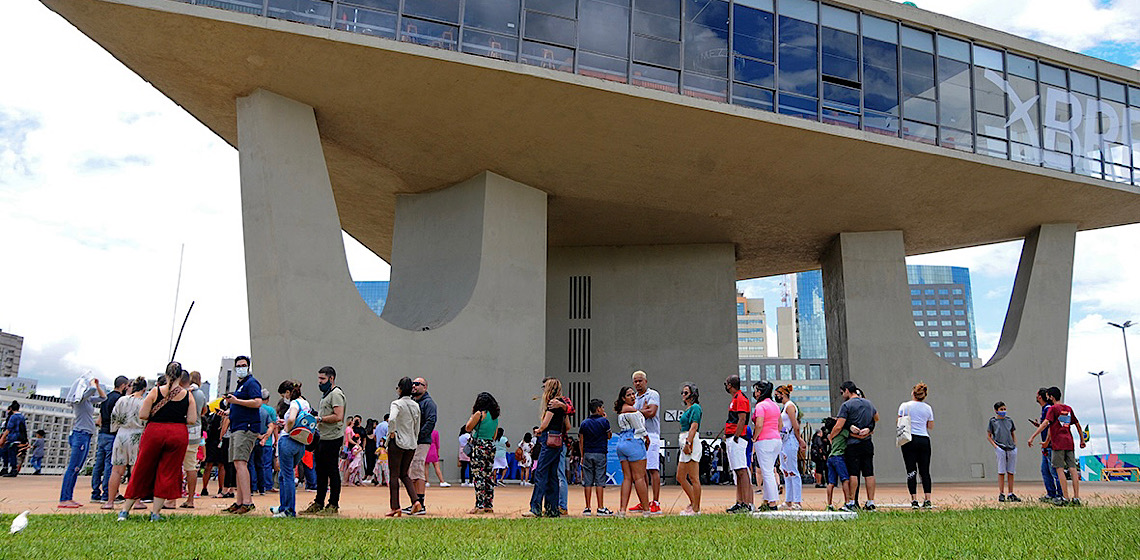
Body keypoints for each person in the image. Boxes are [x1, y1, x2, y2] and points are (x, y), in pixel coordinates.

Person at [117, 362, 198, 522]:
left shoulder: (155, 391)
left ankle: (125, 511)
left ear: (167, 375)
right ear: (181, 376)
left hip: (154, 432)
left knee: (141, 468)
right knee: (167, 472)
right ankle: (155, 513)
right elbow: (192, 419)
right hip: (177, 433)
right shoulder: (188, 395)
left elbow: (143, 414)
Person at [1026, 386, 1086, 506]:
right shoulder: (1067, 408)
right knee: (1073, 469)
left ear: (1051, 397)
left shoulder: (1053, 409)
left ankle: (1065, 497)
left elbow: (1046, 424)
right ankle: (1077, 497)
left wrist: (1033, 436)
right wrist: (1082, 439)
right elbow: (1077, 424)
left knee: (1059, 469)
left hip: (1058, 444)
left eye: (1048, 396)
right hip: (1069, 442)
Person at [222, 355, 262, 515]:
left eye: (243, 365)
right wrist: (229, 410)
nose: (241, 368)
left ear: (248, 366)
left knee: (241, 463)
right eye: (238, 365)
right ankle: (240, 501)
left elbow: (257, 402)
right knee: (237, 464)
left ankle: (247, 502)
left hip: (246, 427)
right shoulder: (241, 385)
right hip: (237, 426)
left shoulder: (251, 383)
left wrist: (236, 401)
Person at [303, 366, 345, 516]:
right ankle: (318, 502)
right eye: (319, 379)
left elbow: (338, 415)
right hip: (322, 437)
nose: (319, 382)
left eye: (322, 379)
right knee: (320, 471)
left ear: (331, 379)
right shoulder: (326, 395)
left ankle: (333, 504)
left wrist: (320, 419)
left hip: (333, 438)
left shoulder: (336, 394)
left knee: (332, 471)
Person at [830, 380, 879, 511]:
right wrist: (868, 428)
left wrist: (831, 436)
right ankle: (870, 502)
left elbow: (839, 425)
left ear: (847, 390)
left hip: (853, 444)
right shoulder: (869, 403)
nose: (842, 395)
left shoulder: (846, 406)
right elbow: (876, 418)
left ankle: (851, 502)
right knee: (869, 473)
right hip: (867, 442)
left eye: (842, 392)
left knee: (853, 473)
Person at [59, 376, 106, 507]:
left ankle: (68, 497)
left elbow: (103, 398)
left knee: (76, 468)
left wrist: (97, 385)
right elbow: (90, 390)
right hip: (80, 435)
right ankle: (64, 498)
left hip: (85, 435)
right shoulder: (79, 400)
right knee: (72, 467)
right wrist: (92, 383)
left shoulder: (87, 401)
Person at [526, 378, 571, 518]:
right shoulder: (562, 405)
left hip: (548, 439)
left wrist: (539, 430)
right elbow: (568, 426)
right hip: (558, 440)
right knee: (553, 475)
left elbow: (545, 424)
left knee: (541, 473)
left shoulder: (552, 404)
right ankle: (553, 509)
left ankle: (535, 508)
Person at [104, 378, 148, 510]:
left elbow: (114, 418)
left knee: (116, 470)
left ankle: (110, 501)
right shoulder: (145, 402)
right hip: (138, 434)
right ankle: (137, 500)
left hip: (122, 434)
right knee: (135, 470)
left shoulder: (122, 400)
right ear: (144, 389)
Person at [270, 380, 310, 517]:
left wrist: (287, 427)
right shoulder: (305, 403)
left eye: (283, 395)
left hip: (288, 440)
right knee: (284, 475)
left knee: (287, 476)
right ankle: (283, 506)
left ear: (288, 393)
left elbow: (292, 418)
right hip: (300, 442)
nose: (283, 399)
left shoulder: (294, 403)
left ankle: (288, 510)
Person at [612, 386, 650, 517]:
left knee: (627, 478)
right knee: (639, 478)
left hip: (622, 442)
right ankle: (646, 509)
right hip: (634, 441)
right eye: (629, 395)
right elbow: (640, 428)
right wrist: (647, 438)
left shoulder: (621, 411)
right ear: (623, 398)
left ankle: (622, 510)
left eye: (633, 394)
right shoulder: (632, 410)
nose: (633, 396)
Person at [386, 377, 421, 517]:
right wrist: (414, 438)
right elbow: (417, 425)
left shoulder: (396, 404)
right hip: (411, 443)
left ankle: (395, 507)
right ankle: (415, 501)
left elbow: (392, 419)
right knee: (404, 474)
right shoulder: (415, 405)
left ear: (400, 389)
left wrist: (392, 433)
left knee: (394, 475)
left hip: (398, 442)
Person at [91, 376, 129, 502]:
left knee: (98, 464)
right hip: (112, 433)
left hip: (102, 433)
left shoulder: (105, 398)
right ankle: (107, 494)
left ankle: (95, 493)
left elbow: (100, 417)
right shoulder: (120, 399)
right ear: (123, 386)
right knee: (110, 465)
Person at [630, 370, 662, 514]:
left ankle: (655, 502)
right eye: (635, 381)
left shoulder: (653, 395)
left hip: (652, 435)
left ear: (646, 381)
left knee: (653, 469)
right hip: (638, 436)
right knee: (640, 472)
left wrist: (636, 413)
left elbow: (651, 413)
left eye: (640, 381)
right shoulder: (634, 398)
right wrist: (642, 410)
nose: (637, 384)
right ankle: (644, 502)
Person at [899, 382, 935, 509]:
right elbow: (930, 426)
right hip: (924, 439)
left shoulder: (905, 406)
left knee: (911, 470)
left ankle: (914, 499)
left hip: (909, 438)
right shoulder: (928, 408)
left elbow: (899, 421)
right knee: (925, 470)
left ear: (913, 393)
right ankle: (928, 499)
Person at [464, 391, 499, 514]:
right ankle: (488, 504)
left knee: (478, 475)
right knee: (488, 476)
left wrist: (471, 417)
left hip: (479, 445)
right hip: (490, 446)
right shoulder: (494, 416)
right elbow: (494, 435)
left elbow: (468, 427)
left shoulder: (479, 414)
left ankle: (479, 505)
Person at [722, 375, 752, 513]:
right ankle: (739, 502)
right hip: (733, 436)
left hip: (738, 438)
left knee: (742, 470)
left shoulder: (740, 398)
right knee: (737, 470)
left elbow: (742, 418)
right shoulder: (735, 399)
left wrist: (736, 436)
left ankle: (746, 503)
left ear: (730, 385)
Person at [774, 384, 806, 510]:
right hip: (784, 441)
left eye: (777, 394)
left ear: (783, 394)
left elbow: (795, 425)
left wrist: (800, 440)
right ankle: (789, 500)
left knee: (793, 471)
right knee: (786, 471)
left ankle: (797, 501)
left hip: (791, 440)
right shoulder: (785, 407)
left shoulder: (790, 406)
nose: (776, 396)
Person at [578, 398, 612, 516]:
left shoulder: (584, 423)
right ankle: (600, 507)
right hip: (600, 453)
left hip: (587, 453)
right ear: (598, 409)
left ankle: (587, 507)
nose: (603, 410)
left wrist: (582, 455)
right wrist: (605, 419)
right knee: (599, 480)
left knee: (587, 481)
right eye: (602, 407)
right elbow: (609, 436)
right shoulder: (604, 422)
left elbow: (581, 440)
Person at [180, 371, 209, 508]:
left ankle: (171, 498)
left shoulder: (182, 392)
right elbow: (204, 411)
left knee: (176, 464)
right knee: (191, 466)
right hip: (196, 429)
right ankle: (190, 499)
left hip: (181, 428)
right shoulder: (201, 394)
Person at [408, 377, 436, 515]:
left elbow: (431, 421)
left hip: (421, 441)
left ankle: (421, 504)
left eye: (417, 384)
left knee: (418, 470)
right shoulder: (414, 402)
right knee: (412, 471)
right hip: (412, 442)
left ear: (425, 387)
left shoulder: (428, 403)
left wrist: (418, 436)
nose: (414, 386)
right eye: (413, 384)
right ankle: (415, 503)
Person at [1028, 388, 1062, 503]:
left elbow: (1051, 426)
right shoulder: (1045, 409)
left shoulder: (1048, 409)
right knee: (1045, 470)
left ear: (1040, 397)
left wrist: (1046, 441)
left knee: (1054, 471)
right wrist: (1039, 425)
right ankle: (1051, 493)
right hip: (1046, 445)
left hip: (1050, 445)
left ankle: (1060, 495)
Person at [751, 382, 781, 512]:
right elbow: (780, 424)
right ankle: (767, 500)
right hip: (776, 439)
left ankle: (772, 503)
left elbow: (759, 424)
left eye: (757, 390)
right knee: (769, 470)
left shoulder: (760, 406)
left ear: (761, 392)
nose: (755, 393)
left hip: (764, 440)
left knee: (767, 472)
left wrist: (754, 438)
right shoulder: (775, 406)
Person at [676, 382, 702, 515]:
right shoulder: (688, 409)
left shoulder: (695, 408)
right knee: (680, 476)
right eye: (682, 392)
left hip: (690, 440)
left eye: (686, 392)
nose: (683, 395)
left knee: (693, 477)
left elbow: (694, 426)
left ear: (692, 394)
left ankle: (696, 508)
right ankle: (693, 502)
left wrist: (688, 442)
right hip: (685, 439)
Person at [987, 401, 1020, 503]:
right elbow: (989, 436)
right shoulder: (993, 421)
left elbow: (1012, 433)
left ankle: (1010, 493)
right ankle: (1001, 493)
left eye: (1004, 409)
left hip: (1011, 448)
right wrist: (996, 446)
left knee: (1011, 471)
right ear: (996, 410)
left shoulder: (1009, 420)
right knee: (1001, 471)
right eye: (1001, 409)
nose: (1003, 411)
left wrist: (1014, 444)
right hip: (1000, 448)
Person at [820, 416, 852, 511]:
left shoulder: (831, 435)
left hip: (831, 458)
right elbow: (851, 435)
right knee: (845, 479)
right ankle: (847, 502)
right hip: (839, 457)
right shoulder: (842, 432)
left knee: (831, 483)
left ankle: (829, 504)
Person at [252, 389, 278, 495]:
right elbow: (274, 426)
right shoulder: (270, 410)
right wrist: (273, 438)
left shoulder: (254, 408)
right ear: (267, 399)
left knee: (252, 464)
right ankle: (266, 486)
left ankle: (253, 486)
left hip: (253, 440)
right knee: (265, 465)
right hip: (266, 442)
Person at [1, 401, 27, 477]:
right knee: (11, 454)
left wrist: (3, 438)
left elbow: (9, 428)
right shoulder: (22, 417)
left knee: (6, 452)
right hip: (19, 438)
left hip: (12, 438)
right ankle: (11, 469)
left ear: (11, 408)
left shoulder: (13, 417)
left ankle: (11, 469)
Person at [364, 418, 378, 484]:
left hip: (367, 448)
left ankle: (367, 475)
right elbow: (375, 439)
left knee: (368, 461)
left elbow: (365, 441)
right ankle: (372, 475)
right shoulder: (374, 431)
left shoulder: (365, 431)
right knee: (373, 461)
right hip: (373, 447)